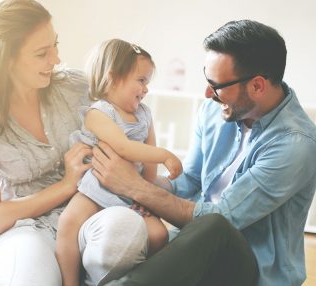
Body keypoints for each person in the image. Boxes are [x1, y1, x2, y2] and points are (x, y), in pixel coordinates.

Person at [91, 20, 316, 286]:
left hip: (254, 271)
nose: (208, 93)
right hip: (200, 243)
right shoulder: (214, 112)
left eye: (217, 85)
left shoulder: (296, 143)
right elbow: (190, 181)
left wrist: (135, 187)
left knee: (215, 225)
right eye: (207, 78)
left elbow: (225, 217)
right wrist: (135, 177)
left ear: (257, 86)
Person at [0, 1, 151, 285]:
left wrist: (139, 187)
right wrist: (66, 185)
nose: (56, 59)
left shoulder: (77, 88)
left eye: (55, 45)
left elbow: (134, 126)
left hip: (92, 210)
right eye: (42, 53)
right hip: (25, 229)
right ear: (5, 59)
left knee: (128, 231)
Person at [56, 39, 183, 286]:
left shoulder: (144, 114)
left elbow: (148, 160)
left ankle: (139, 281)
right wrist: (166, 154)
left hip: (130, 193)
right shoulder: (99, 113)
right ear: (113, 78)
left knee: (158, 235)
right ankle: (70, 282)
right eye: (141, 80)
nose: (146, 89)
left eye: (148, 82)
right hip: (96, 188)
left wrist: (146, 196)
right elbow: (124, 147)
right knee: (67, 224)